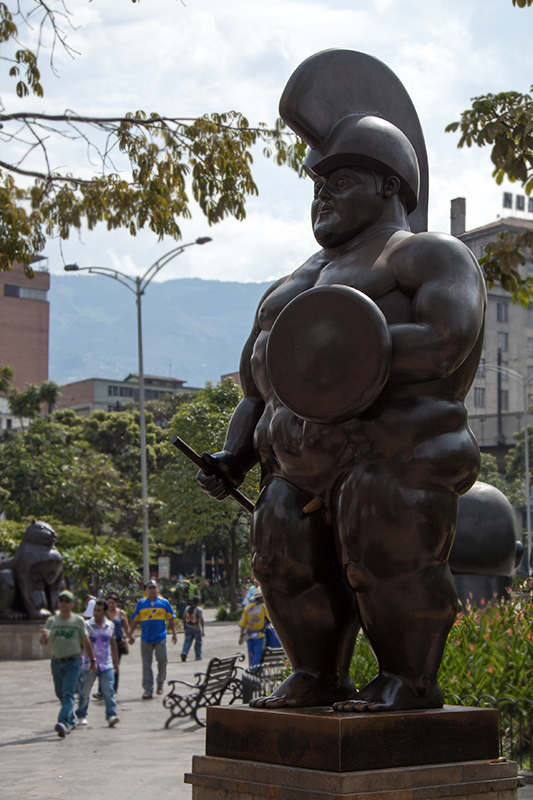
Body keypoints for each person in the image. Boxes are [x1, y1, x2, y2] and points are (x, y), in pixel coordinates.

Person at [197, 52, 486, 713]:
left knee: (382, 553)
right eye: (316, 186)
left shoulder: (427, 255)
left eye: (342, 179)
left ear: (390, 186)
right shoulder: (290, 285)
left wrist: (358, 357)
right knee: (280, 555)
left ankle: (407, 681)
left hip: (394, 453)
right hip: (295, 467)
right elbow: (256, 388)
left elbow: (446, 343)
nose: (322, 195)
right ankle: (316, 673)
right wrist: (234, 454)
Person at [39, 589, 96, 738]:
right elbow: (44, 638)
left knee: (68, 693)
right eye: (61, 601)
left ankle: (63, 723)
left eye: (66, 601)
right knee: (60, 693)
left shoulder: (78, 621)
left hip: (73, 662)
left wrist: (92, 660)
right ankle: (71, 719)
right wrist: (43, 638)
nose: (63, 604)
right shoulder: (52, 620)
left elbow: (85, 640)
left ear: (72, 604)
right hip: (56, 663)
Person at [129, 580, 177, 699]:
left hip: (160, 637)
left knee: (162, 660)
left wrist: (174, 633)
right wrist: (130, 634)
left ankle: (160, 683)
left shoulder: (164, 603)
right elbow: (134, 620)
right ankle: (148, 689)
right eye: (149, 588)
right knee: (146, 664)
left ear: (157, 589)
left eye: (153, 588)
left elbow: (171, 619)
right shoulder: (141, 604)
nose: (151, 590)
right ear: (146, 590)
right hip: (146, 638)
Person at [76, 599, 120, 727]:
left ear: (105, 612)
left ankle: (111, 714)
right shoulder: (87, 625)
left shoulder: (110, 625)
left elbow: (112, 643)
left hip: (106, 663)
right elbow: (82, 643)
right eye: (95, 610)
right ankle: (81, 714)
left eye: (99, 611)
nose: (96, 613)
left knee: (108, 690)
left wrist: (116, 662)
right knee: (85, 691)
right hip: (89, 664)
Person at [106, 592, 135, 692]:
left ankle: (114, 688)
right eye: (109, 603)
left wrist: (130, 637)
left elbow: (126, 628)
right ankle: (102, 689)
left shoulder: (121, 613)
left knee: (115, 664)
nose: (111, 605)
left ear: (117, 603)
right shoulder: (104, 613)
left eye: (113, 603)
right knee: (104, 665)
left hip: (117, 642)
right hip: (105, 642)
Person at [238, 587, 269, 667]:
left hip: (249, 636)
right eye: (262, 597)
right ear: (259, 598)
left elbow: (242, 624)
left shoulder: (247, 608)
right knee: (258, 655)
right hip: (259, 636)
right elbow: (269, 620)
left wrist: (241, 637)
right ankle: (256, 673)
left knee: (251, 655)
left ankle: (251, 671)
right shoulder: (263, 607)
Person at [181, 595, 205, 662]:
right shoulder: (199, 610)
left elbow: (184, 618)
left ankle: (184, 653)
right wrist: (203, 630)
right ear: (198, 602)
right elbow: (202, 619)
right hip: (196, 628)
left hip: (188, 627)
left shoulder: (187, 608)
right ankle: (198, 656)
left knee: (187, 641)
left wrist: (185, 626)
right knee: (198, 643)